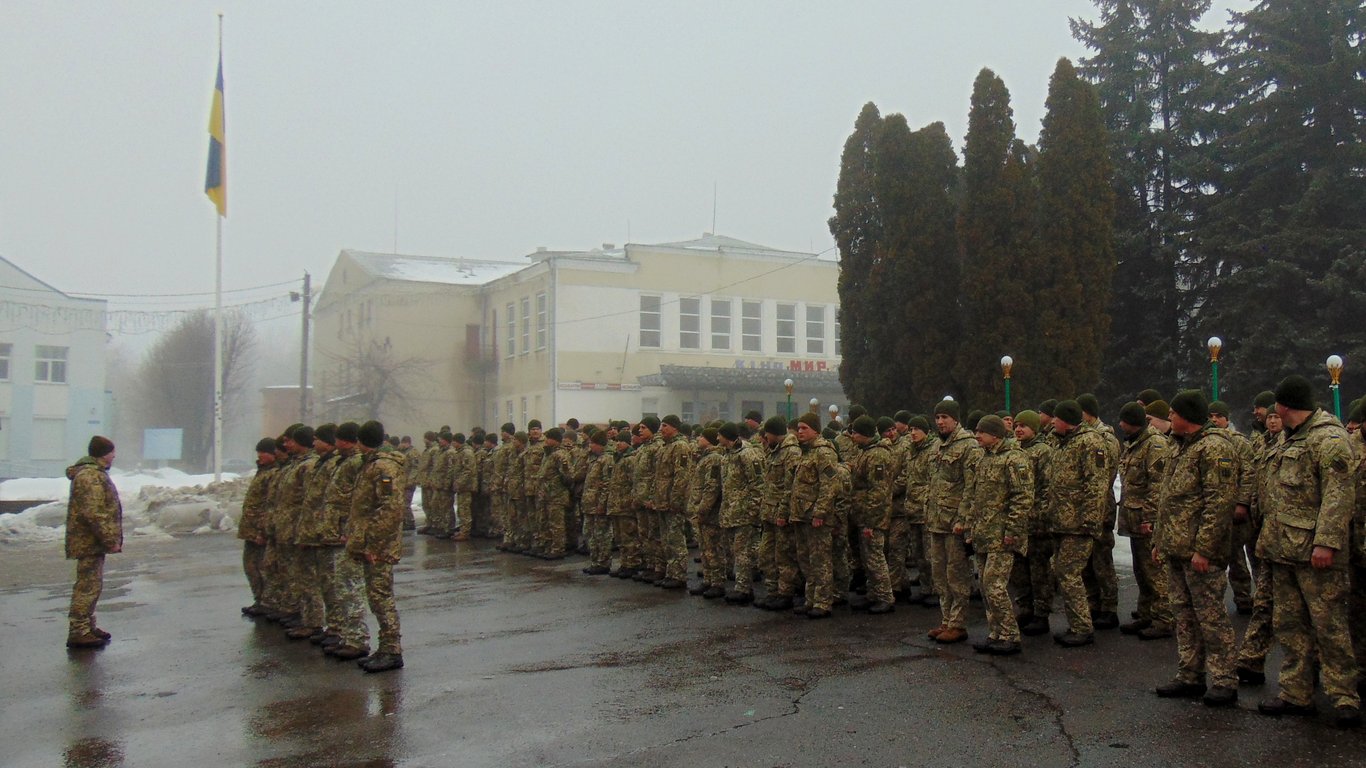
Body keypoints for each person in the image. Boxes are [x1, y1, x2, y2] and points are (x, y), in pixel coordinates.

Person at [1255, 375, 1360, 726]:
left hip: (1316, 554)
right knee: (1289, 625)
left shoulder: (1327, 439)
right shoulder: (1287, 438)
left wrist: (1326, 543)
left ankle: (1344, 696)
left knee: (1329, 625)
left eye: (1276, 408)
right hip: (1284, 549)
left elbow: (1338, 495)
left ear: (1284, 407)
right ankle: (1296, 693)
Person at [1151, 390, 1239, 707]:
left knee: (1211, 617)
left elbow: (1219, 503)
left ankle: (1224, 679)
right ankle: (1190, 675)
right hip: (1176, 547)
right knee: (1184, 615)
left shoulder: (1213, 448)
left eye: (1173, 413)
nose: (1169, 418)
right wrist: (1160, 541)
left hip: (1199, 552)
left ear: (1186, 417)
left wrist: (1204, 548)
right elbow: (1169, 500)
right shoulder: (1180, 446)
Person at [965, 415, 1032, 655]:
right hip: (984, 534)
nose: (977, 436)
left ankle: (1011, 636)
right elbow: (978, 498)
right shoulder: (985, 458)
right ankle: (996, 633)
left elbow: (1022, 498)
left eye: (981, 432)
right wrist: (972, 529)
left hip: (1002, 536)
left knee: (995, 586)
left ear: (995, 435)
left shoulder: (1014, 458)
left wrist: (1012, 531)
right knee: (984, 586)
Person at [347, 420, 407, 673]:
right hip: (371, 543)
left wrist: (373, 542)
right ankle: (385, 648)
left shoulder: (384, 467)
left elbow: (390, 508)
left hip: (379, 546)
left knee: (381, 597)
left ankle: (391, 650)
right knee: (375, 596)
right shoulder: (372, 464)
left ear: (362, 441)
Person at [1116, 402, 1174, 640]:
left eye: (1124, 421)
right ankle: (1146, 613)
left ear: (1133, 422)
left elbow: (1157, 486)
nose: (1120, 425)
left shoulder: (1155, 444)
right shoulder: (1134, 443)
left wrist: (1150, 517)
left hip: (1147, 519)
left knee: (1155, 571)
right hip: (1134, 517)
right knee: (1141, 569)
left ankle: (1164, 619)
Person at [926, 400, 982, 644]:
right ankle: (946, 619)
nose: (940, 422)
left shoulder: (969, 446)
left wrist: (964, 520)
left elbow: (972, 487)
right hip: (937, 520)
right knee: (939, 574)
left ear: (956, 419)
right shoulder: (938, 445)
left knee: (956, 575)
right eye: (937, 417)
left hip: (954, 523)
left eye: (945, 417)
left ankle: (958, 624)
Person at [65, 436, 123, 649]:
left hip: (91, 541)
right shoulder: (90, 476)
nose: (114, 456)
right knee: (87, 586)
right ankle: (79, 630)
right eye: (111, 452)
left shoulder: (94, 474)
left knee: (92, 585)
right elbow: (94, 513)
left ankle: (88, 626)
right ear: (103, 454)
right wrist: (110, 540)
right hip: (88, 541)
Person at [238, 438, 279, 617]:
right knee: (250, 566)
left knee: (262, 568)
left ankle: (268, 601)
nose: (260, 456)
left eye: (264, 453)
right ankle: (260, 599)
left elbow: (270, 504)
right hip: (251, 529)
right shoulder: (262, 472)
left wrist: (263, 530)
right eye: (259, 452)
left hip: (260, 530)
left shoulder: (273, 473)